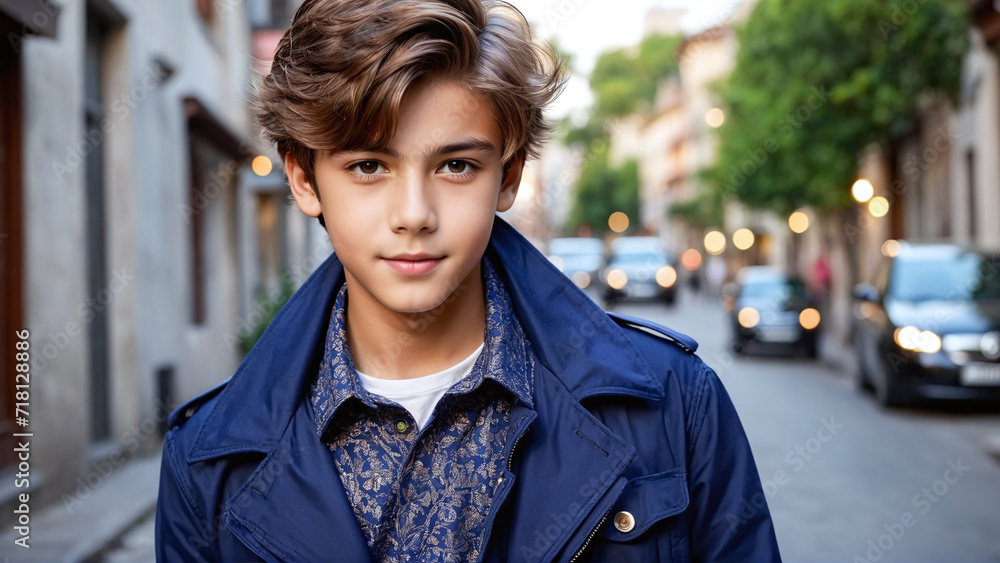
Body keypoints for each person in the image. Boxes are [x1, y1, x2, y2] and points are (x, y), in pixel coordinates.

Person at [154, 1, 782, 561]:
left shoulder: (676, 404)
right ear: (303, 179)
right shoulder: (205, 463)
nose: (413, 215)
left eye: (456, 165)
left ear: (508, 177)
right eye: (369, 165)